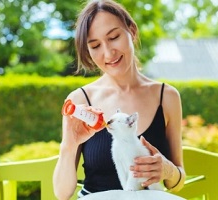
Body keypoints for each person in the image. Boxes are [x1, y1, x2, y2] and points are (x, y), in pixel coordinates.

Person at [53, 0, 185, 199]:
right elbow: (62, 194)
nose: (108, 53)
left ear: (131, 31)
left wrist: (167, 170)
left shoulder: (167, 96)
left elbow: (176, 182)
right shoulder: (80, 101)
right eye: (95, 45)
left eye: (114, 37)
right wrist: (69, 146)